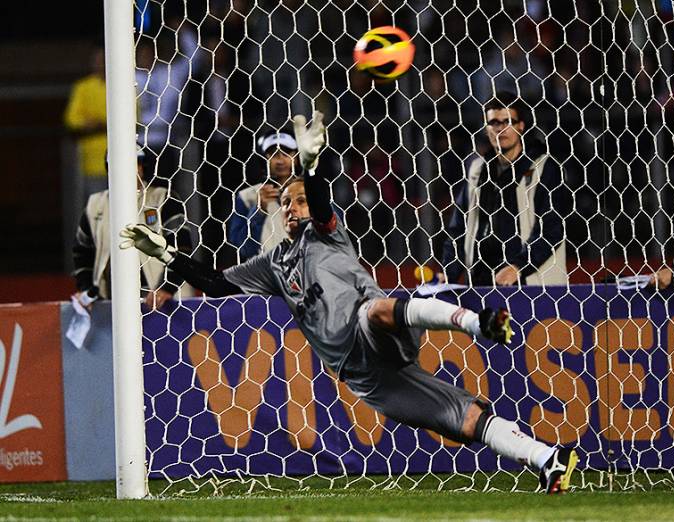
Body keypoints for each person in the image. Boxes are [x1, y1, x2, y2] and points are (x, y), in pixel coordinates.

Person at [119, 112, 579, 494]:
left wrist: (314, 164)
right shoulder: (274, 264)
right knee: (461, 418)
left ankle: (480, 323)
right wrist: (166, 254)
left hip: (382, 331)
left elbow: (320, 202)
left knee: (374, 310)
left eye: (299, 201)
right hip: (367, 377)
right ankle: (547, 459)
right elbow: (218, 284)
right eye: (286, 203)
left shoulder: (328, 235)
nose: (293, 208)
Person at [440, 91, 569, 287]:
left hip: (530, 285)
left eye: (508, 121)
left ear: (521, 126)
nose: (501, 129)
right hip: (482, 283)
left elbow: (551, 229)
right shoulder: (478, 170)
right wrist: (448, 273)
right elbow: (458, 229)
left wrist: (517, 267)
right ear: (486, 128)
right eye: (494, 123)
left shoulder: (543, 168)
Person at [72, 146, 190, 311]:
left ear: (142, 166)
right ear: (109, 168)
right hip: (114, 306)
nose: (127, 169)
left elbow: (182, 248)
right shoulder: (95, 205)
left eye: (134, 163)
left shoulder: (163, 198)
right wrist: (85, 289)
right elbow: (82, 252)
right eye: (119, 164)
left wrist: (167, 287)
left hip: (167, 304)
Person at [228, 130, 300, 261]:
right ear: (262, 159)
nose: (280, 160)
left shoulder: (312, 193)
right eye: (273, 154)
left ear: (296, 158)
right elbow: (243, 249)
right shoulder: (247, 197)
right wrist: (259, 211)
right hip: (266, 275)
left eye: (286, 153)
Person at [63, 43, 108, 201]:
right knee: (97, 209)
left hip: (121, 161)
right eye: (97, 60)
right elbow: (71, 119)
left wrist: (101, 123)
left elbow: (135, 115)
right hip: (92, 162)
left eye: (103, 60)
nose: (100, 64)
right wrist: (95, 124)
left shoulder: (121, 85)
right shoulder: (83, 87)